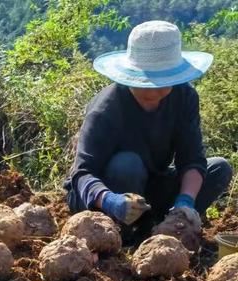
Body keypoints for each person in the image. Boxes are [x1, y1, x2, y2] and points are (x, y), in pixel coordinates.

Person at [65, 20, 233, 241]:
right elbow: (82, 174)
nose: (153, 92)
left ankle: (166, 224)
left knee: (218, 168)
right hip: (103, 196)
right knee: (127, 164)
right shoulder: (107, 108)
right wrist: (110, 200)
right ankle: (124, 237)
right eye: (145, 82)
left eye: (161, 82)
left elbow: (192, 159)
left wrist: (185, 201)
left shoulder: (185, 97)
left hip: (150, 188)